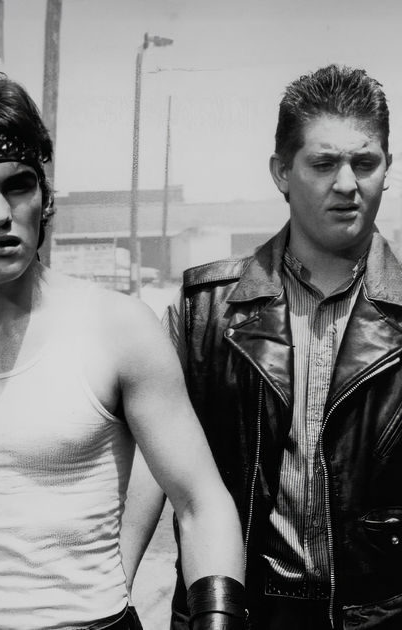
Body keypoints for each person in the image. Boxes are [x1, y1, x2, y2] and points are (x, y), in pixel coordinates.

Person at [0, 74, 247, 630]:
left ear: (45, 197)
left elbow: (202, 502)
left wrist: (217, 619)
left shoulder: (118, 329)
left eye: (18, 185)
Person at [123, 64, 400, 630]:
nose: (347, 183)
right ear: (281, 172)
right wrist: (105, 598)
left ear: (387, 168)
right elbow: (154, 464)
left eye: (364, 162)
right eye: (323, 163)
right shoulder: (206, 311)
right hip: (236, 613)